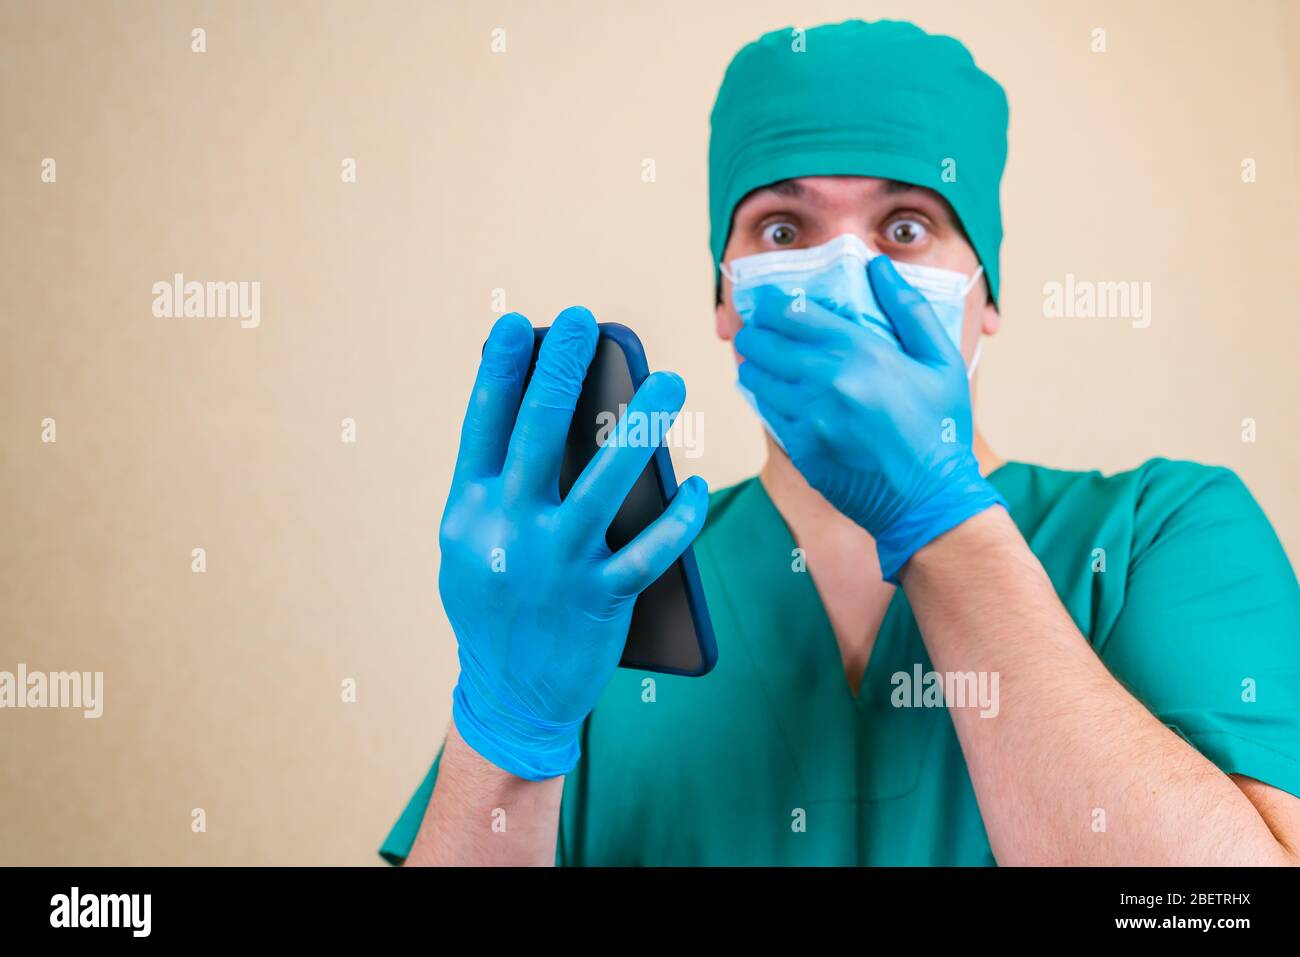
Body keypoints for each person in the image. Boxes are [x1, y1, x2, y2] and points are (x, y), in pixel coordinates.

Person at [382, 19, 1300, 865]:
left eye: (907, 227)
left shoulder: (1158, 538)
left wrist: (940, 517)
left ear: (988, 296)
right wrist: (506, 728)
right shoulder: (605, 592)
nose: (845, 272)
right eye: (784, 229)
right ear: (724, 295)